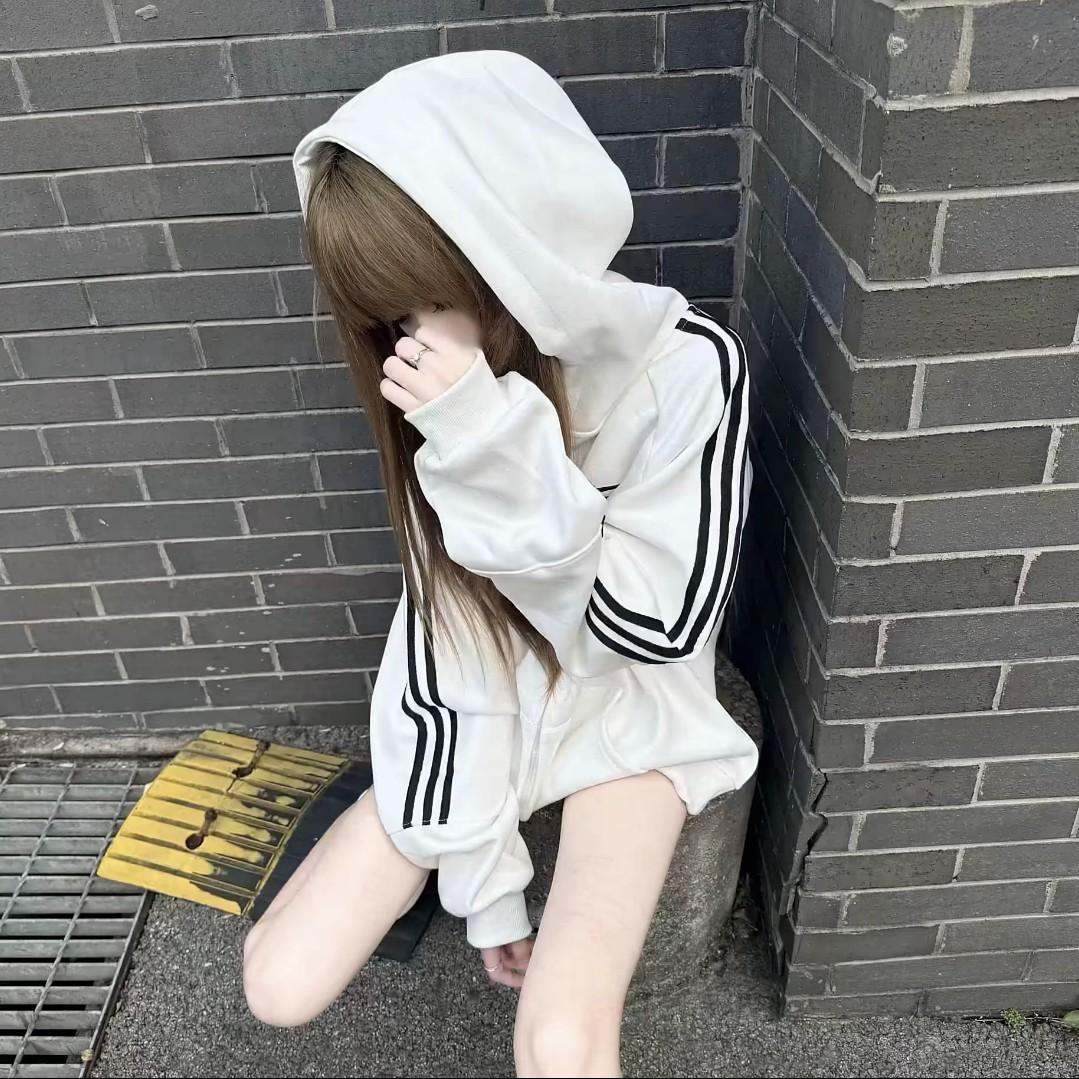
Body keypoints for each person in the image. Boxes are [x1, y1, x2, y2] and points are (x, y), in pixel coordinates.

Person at [241, 49, 758, 1078]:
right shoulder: (432, 384)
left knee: (562, 1039)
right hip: (482, 700)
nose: (408, 337)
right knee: (277, 983)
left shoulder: (690, 366)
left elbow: (654, 627)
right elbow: (448, 631)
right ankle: (396, 817)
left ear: (506, 243)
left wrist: (490, 440)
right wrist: (484, 886)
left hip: (631, 707)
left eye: (423, 295)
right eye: (387, 314)